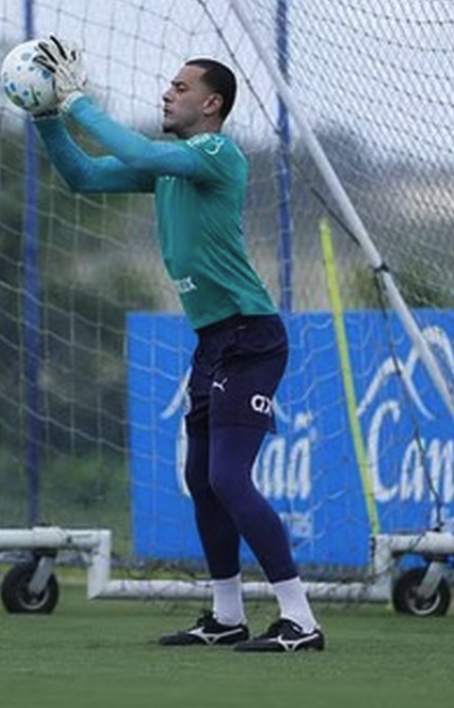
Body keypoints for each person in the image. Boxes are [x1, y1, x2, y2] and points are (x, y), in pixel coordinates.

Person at [31, 36, 323, 653]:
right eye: (170, 85)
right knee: (202, 476)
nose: (168, 92)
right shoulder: (169, 167)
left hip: (251, 335)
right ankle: (227, 616)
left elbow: (133, 146)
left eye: (181, 86)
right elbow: (82, 176)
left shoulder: (216, 154)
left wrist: (76, 99)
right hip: (214, 339)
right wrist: (46, 116)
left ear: (212, 104)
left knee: (229, 478)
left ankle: (301, 620)